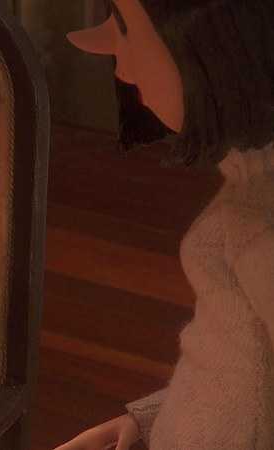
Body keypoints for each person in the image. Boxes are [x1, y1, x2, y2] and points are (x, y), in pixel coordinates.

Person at [56, 0, 274, 448]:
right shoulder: (251, 195)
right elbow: (241, 370)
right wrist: (151, 420)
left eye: (126, 28)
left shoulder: (260, 229)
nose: (115, 59)